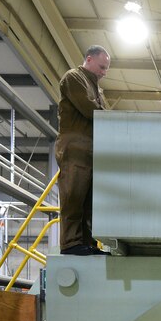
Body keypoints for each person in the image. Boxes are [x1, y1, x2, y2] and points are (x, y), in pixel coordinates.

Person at [55, 45, 110, 255]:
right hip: (75, 148)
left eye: (106, 69)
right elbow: (90, 110)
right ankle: (70, 243)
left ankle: (87, 243)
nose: (104, 73)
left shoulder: (97, 88)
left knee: (88, 202)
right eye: (102, 67)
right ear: (89, 59)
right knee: (73, 196)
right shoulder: (74, 78)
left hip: (91, 151)